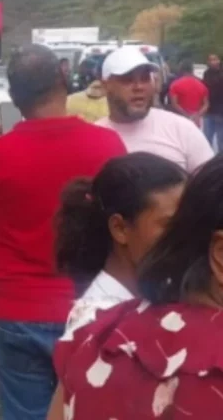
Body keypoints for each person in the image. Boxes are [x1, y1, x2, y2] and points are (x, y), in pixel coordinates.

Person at [0, 44, 127, 420]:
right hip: (91, 307)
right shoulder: (108, 145)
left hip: (16, 312)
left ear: (14, 97)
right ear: (64, 78)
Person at [53, 153, 223, 419]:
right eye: (172, 226)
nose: (185, 239)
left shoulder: (101, 329)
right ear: (120, 229)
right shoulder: (94, 325)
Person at [96, 46, 213, 172]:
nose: (139, 87)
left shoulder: (182, 129)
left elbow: (212, 184)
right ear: (105, 86)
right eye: (127, 80)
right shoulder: (93, 139)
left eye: (145, 79)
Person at [168, 60, 209, 128]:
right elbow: (206, 104)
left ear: (181, 70)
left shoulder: (175, 85)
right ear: (192, 70)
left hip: (180, 120)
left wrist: (186, 115)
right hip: (196, 121)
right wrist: (197, 115)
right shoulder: (201, 85)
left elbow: (174, 104)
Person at [203, 53, 223, 148]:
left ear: (219, 60)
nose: (213, 62)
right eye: (210, 60)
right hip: (209, 110)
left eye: (215, 59)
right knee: (206, 139)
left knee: (221, 140)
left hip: (220, 112)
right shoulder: (206, 73)